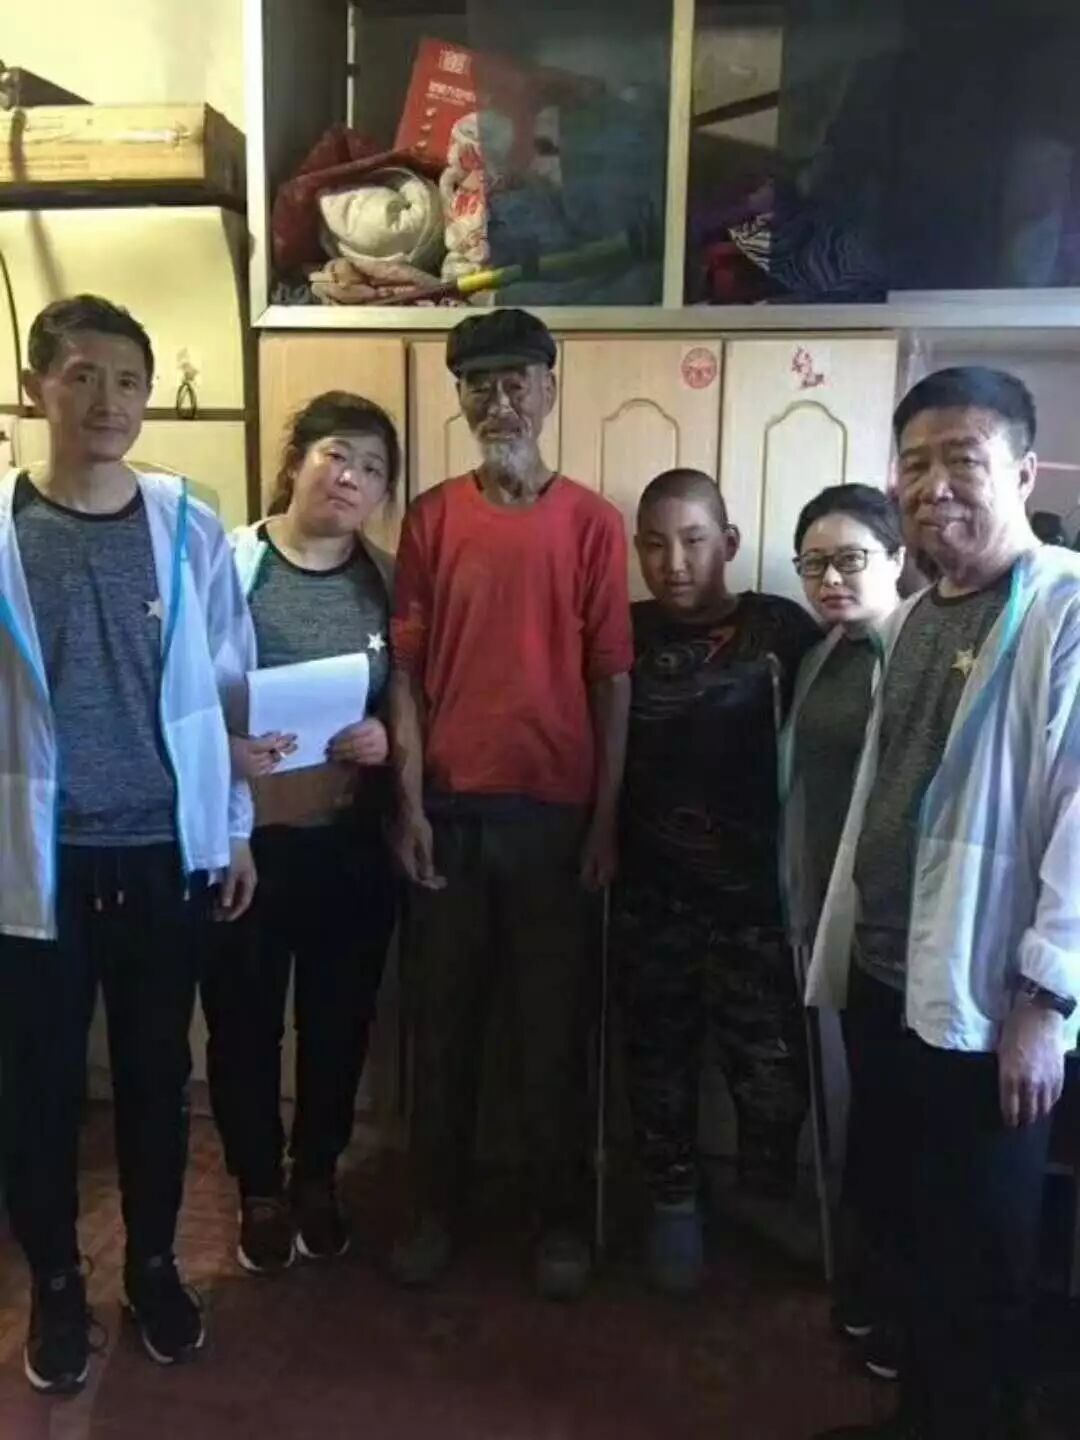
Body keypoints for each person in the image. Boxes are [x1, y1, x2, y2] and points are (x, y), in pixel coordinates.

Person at [809, 367, 1080, 1440]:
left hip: (989, 997)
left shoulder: (1062, 608)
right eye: (914, 465)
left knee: (982, 1248)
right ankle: (921, 1415)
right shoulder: (917, 614)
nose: (933, 487)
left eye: (962, 460)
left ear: (1023, 471)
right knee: (913, 1226)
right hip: (889, 974)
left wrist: (1044, 1001)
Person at [0, 295, 256, 1393]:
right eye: (82, 376)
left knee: (159, 1075)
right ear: (36, 388)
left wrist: (233, 829)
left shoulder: (188, 522)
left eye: (128, 381)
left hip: (162, 853)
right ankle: (58, 1284)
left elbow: (231, 685)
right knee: (38, 1084)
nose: (108, 401)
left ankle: (153, 1268)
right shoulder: (6, 530)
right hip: (36, 861)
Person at [388, 308, 632, 1299]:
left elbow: (612, 677)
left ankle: (559, 1221)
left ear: (549, 389)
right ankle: (433, 1212)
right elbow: (404, 674)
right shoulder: (430, 519)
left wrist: (606, 817)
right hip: (448, 815)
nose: (500, 401)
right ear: (458, 398)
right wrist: (408, 806)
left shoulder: (594, 523)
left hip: (555, 822)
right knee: (440, 1030)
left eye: (517, 381)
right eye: (479, 384)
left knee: (552, 1033)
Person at [200, 392, 399, 1275]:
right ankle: (258, 1187)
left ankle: (317, 1174)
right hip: (248, 846)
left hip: (349, 843)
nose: (351, 477)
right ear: (295, 462)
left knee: (338, 1025)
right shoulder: (227, 564)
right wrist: (225, 756)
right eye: (335, 454)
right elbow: (184, 694)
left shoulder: (386, 579)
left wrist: (383, 737)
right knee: (243, 1027)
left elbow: (408, 697)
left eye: (373, 468)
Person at [613, 468, 820, 1296]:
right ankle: (672, 1200)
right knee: (657, 1058)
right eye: (655, 544)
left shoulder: (781, 629)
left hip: (756, 900)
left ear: (728, 543)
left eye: (694, 541)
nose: (674, 562)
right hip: (648, 893)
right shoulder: (621, 630)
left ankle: (765, 1194)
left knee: (772, 1073)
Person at [781, 484, 905, 1379]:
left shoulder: (916, 653)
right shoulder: (823, 655)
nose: (830, 579)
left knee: (898, 1123)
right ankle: (864, 1286)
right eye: (814, 563)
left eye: (851, 559)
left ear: (897, 559)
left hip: (896, 931)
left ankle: (898, 1302)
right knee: (860, 1113)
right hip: (826, 916)